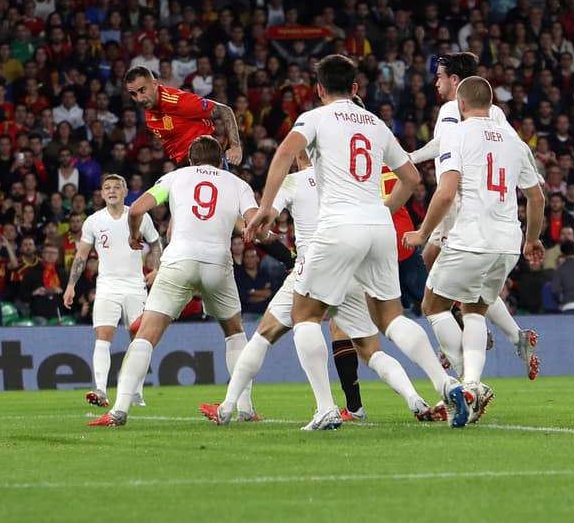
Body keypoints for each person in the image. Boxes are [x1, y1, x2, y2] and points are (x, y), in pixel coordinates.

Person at [244, 54, 464, 430]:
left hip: (338, 225)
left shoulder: (314, 118)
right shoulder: (376, 123)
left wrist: (266, 207)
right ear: (356, 88)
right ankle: (447, 383)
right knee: (391, 318)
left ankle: (326, 407)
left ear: (318, 89)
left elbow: (283, 153)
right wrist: (383, 209)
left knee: (305, 315)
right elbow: (410, 177)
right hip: (379, 227)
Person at [204, 150, 443, 426]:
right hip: (352, 266)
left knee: (266, 334)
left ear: (299, 158)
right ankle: (415, 399)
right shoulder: (343, 180)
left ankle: (231, 407)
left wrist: (266, 237)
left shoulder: (292, 182)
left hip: (314, 265)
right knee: (371, 349)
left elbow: (264, 222)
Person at [88, 135, 257, 427]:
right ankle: (245, 409)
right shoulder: (238, 184)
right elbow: (254, 223)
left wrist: (133, 235)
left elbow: (138, 209)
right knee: (234, 332)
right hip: (218, 262)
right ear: (221, 162)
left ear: (190, 161)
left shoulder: (176, 177)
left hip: (178, 260)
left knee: (146, 336)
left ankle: (118, 411)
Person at [404, 76, 544, 426]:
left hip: (471, 238)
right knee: (475, 310)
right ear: (492, 103)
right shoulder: (515, 141)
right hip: (508, 242)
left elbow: (447, 192)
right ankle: (471, 385)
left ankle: (467, 381)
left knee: (433, 306)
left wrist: (423, 232)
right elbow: (537, 197)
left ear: (461, 105)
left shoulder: (458, 134)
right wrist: (532, 240)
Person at [63, 173, 157, 409]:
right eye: (107, 188)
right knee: (103, 337)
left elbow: (156, 243)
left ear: (125, 192)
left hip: (136, 286)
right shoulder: (94, 221)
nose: (112, 190)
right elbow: (82, 255)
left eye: (117, 186)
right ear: (102, 194)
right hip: (106, 287)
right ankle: (101, 390)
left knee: (139, 340)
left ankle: (136, 390)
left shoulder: (139, 216)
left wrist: (157, 269)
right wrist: (71, 285)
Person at [123, 65, 243, 166]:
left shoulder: (177, 101)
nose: (139, 99)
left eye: (142, 90)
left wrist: (235, 147)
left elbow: (224, 110)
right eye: (133, 94)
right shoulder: (149, 111)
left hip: (209, 162)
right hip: (186, 167)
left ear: (154, 84)